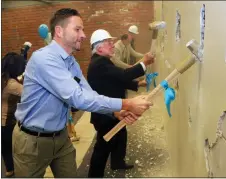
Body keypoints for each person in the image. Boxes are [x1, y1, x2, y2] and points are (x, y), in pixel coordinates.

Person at [12, 8, 152, 178]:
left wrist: (115, 111)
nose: (83, 35)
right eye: (77, 29)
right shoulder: (44, 59)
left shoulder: (71, 62)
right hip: (33, 141)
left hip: (61, 137)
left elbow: (88, 93)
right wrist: (128, 103)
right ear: (59, 31)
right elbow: (77, 98)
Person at [87, 29, 154, 177]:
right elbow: (123, 75)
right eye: (108, 42)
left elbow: (116, 80)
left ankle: (117, 162)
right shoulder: (99, 64)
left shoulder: (103, 61)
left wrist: (137, 84)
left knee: (120, 134)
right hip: (105, 113)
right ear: (99, 48)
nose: (112, 45)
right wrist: (143, 63)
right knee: (103, 147)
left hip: (113, 110)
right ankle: (94, 175)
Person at [2, 52, 26, 177]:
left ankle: (9, 169)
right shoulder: (11, 84)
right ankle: (18, 171)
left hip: (3, 121)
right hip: (7, 122)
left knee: (5, 149)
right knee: (17, 148)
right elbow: (29, 93)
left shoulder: (3, 79)